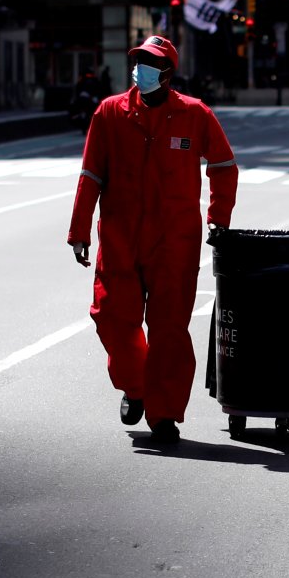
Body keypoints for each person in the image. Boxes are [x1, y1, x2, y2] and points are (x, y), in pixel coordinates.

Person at [66, 35, 238, 444]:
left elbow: (224, 166)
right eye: (138, 60)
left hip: (174, 243)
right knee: (110, 316)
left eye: (150, 62)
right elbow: (91, 174)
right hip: (121, 237)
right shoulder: (111, 112)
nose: (140, 68)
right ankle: (137, 387)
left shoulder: (194, 114)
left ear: (166, 73)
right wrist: (79, 231)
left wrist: (218, 219)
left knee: (169, 331)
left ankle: (163, 415)